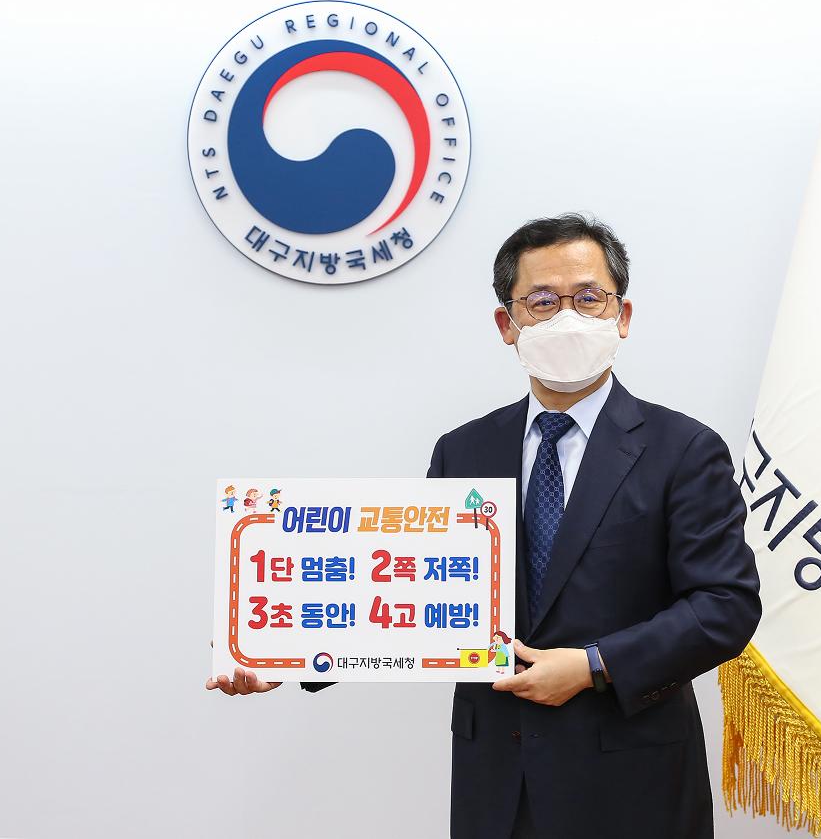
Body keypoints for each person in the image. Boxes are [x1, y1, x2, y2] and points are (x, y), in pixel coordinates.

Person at [206, 213, 762, 838]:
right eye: (542, 302)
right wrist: (285, 653)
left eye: (588, 298)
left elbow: (725, 605)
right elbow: (408, 591)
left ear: (622, 315)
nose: (568, 318)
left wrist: (593, 665)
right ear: (507, 324)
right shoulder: (464, 451)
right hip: (497, 780)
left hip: (633, 782)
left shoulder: (683, 449)